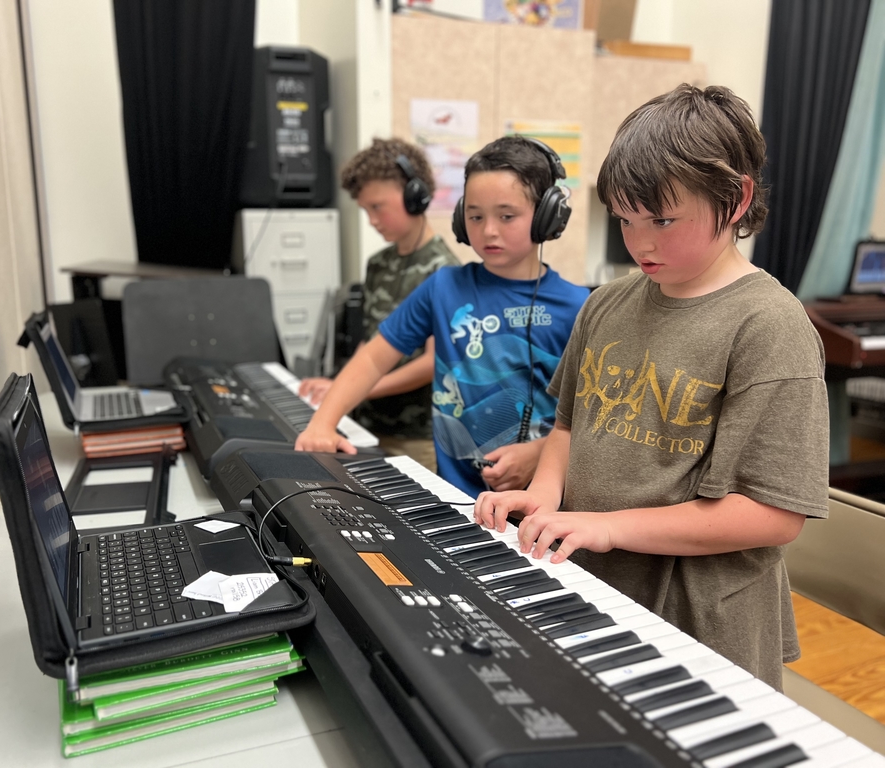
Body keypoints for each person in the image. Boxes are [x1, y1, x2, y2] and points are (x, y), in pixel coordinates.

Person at [473, 84, 829, 690]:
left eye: (662, 219)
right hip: (593, 588)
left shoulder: (770, 326)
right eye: (625, 219)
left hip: (701, 623)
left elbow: (772, 515)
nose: (639, 242)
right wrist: (546, 494)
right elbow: (569, 425)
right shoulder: (605, 304)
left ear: (736, 200)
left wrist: (608, 526)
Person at [296, 135, 590, 498]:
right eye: (475, 216)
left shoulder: (578, 305)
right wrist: (323, 423)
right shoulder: (443, 287)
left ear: (547, 216)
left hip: (541, 507)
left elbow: (596, 419)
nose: (488, 230)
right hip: (455, 498)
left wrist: (539, 453)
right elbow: (373, 358)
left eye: (506, 216)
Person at [299, 138, 460, 470]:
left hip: (416, 438)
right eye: (366, 210)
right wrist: (341, 385)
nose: (372, 220)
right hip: (367, 426)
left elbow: (432, 363)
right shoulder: (378, 264)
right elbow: (372, 343)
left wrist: (361, 389)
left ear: (415, 197)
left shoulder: (443, 271)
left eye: (378, 207)